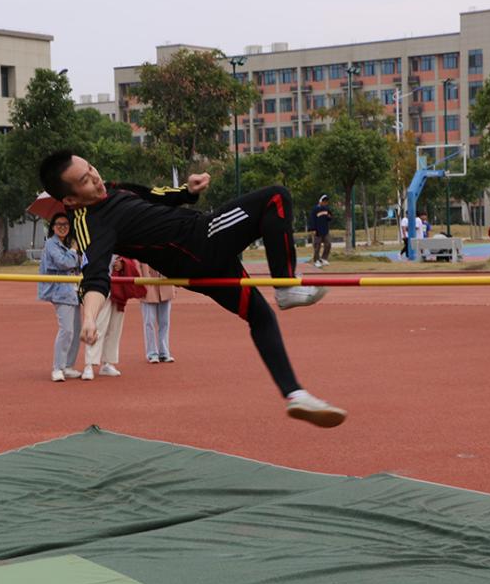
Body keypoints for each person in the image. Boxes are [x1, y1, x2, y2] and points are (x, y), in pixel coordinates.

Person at [39, 151, 344, 427]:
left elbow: (156, 195)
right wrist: (90, 318)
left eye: (91, 168)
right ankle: (287, 285)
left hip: (201, 263)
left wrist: (188, 190)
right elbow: (94, 276)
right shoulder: (91, 224)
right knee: (275, 197)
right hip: (202, 239)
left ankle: (295, 394)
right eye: (84, 180)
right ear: (71, 200)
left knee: (260, 316)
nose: (95, 177)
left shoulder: (116, 188)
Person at [38, 213, 82, 382]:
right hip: (60, 292)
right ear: (53, 227)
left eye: (66, 224)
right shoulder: (51, 244)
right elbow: (64, 263)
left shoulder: (69, 244)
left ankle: (68, 365)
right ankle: (57, 367)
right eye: (59, 224)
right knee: (66, 330)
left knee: (76, 330)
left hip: (74, 291)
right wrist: (73, 251)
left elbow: (79, 264)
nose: (62, 227)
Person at [80, 255, 140, 380]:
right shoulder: (101, 240)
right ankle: (89, 364)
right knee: (98, 325)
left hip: (119, 286)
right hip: (101, 286)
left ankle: (108, 362)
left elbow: (132, 260)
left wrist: (123, 264)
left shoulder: (123, 240)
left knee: (115, 328)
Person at [138, 261, 175, 363]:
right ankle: (152, 353)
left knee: (165, 321)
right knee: (149, 321)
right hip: (147, 283)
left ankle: (164, 352)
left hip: (165, 283)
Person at [310, 194, 332, 268]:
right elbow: (312, 220)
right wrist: (313, 229)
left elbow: (330, 217)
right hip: (317, 231)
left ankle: (324, 258)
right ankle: (316, 260)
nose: (326, 203)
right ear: (320, 201)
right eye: (324, 201)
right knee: (317, 246)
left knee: (328, 244)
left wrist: (329, 217)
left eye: (326, 201)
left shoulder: (326, 209)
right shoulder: (315, 209)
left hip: (325, 230)